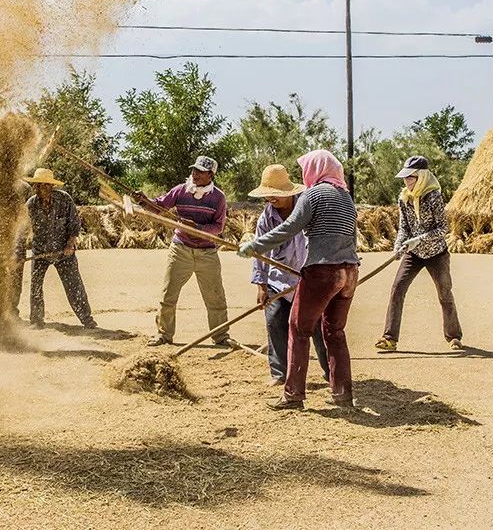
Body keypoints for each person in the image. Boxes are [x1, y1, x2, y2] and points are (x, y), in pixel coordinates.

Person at [239, 150, 360, 411]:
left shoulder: (312, 194)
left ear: (315, 169)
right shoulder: (346, 198)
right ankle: (343, 395)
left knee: (298, 328)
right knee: (334, 331)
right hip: (349, 272)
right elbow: (353, 238)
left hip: (322, 272)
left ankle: (293, 395)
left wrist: (255, 246)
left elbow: (288, 228)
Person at [248, 164, 329, 386]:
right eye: (268, 194)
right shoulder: (266, 217)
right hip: (278, 280)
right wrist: (261, 285)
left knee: (319, 329)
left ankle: (331, 372)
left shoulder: (307, 207)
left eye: (276, 194)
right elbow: (260, 251)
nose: (271, 198)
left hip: (309, 278)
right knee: (275, 322)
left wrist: (314, 273)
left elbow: (317, 241)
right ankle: (279, 373)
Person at [138, 156, 231, 347]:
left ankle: (221, 336)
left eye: (200, 172)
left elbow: (218, 227)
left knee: (215, 297)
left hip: (207, 252)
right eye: (194, 170)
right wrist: (144, 201)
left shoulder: (218, 197)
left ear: (210, 175)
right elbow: (160, 206)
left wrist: (197, 227)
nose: (195, 174)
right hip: (180, 249)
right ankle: (163, 334)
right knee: (168, 294)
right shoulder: (181, 190)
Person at [376, 156, 463, 351]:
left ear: (422, 177)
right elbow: (403, 227)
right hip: (413, 254)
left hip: (437, 254)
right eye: (405, 178)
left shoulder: (434, 197)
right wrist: (399, 245)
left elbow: (442, 229)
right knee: (397, 288)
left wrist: (420, 239)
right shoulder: (404, 198)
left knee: (444, 293)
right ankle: (389, 338)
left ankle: (454, 336)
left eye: (411, 177)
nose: (407, 182)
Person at [20, 168, 97, 330]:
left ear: (50, 186)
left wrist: (70, 244)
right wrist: (18, 253)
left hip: (63, 252)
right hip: (40, 251)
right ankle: (36, 320)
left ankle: (87, 319)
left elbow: (74, 224)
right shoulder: (31, 205)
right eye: (36, 185)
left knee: (74, 285)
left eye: (42, 185)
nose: (38, 189)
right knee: (36, 286)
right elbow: (21, 230)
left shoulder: (64, 200)